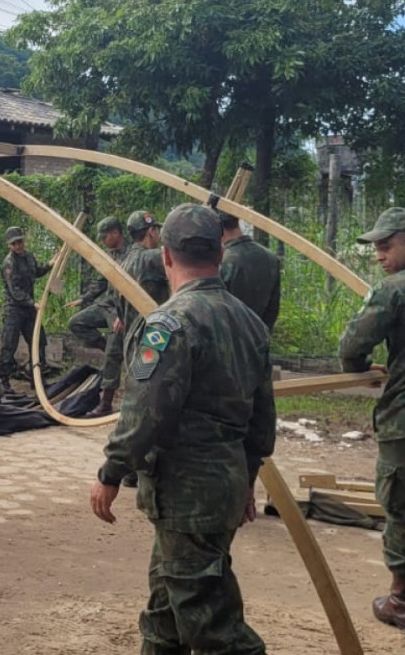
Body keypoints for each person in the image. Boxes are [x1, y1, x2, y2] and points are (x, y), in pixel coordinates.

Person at [91, 203, 274, 655]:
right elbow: (262, 421)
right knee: (165, 607)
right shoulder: (250, 323)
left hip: (186, 494)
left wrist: (111, 472)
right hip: (224, 485)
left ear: (167, 257)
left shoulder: (168, 325)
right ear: (220, 254)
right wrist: (246, 479)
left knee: (213, 625)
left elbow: (145, 412)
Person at [338, 207, 405, 644]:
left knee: (401, 504)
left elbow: (353, 345)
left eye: (385, 245)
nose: (377, 254)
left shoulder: (396, 288)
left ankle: (400, 599)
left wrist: (359, 366)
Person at [89, 210, 169, 418]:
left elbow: (116, 294)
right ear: (151, 231)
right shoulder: (153, 258)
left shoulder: (125, 261)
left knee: (140, 374)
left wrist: (122, 317)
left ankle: (127, 412)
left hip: (132, 333)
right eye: (157, 230)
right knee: (155, 376)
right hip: (155, 331)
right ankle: (142, 419)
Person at [0, 226, 52, 394]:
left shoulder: (29, 257)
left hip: (29, 309)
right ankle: (3, 380)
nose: (18, 245)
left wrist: (49, 265)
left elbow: (37, 272)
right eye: (15, 243)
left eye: (20, 242)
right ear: (9, 246)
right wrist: (32, 302)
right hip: (14, 309)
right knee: (9, 345)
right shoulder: (9, 263)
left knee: (38, 342)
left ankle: (37, 378)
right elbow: (15, 291)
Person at [66, 216, 127, 352]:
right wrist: (83, 299)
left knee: (118, 338)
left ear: (116, 233)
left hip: (124, 309)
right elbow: (101, 282)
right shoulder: (109, 256)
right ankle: (108, 349)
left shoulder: (133, 255)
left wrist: (122, 315)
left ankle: (115, 354)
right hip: (108, 305)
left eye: (105, 237)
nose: (102, 241)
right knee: (76, 322)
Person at [219, 212, 281, 331]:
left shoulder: (221, 261)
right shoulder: (270, 257)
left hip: (227, 341)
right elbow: (273, 308)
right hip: (258, 340)